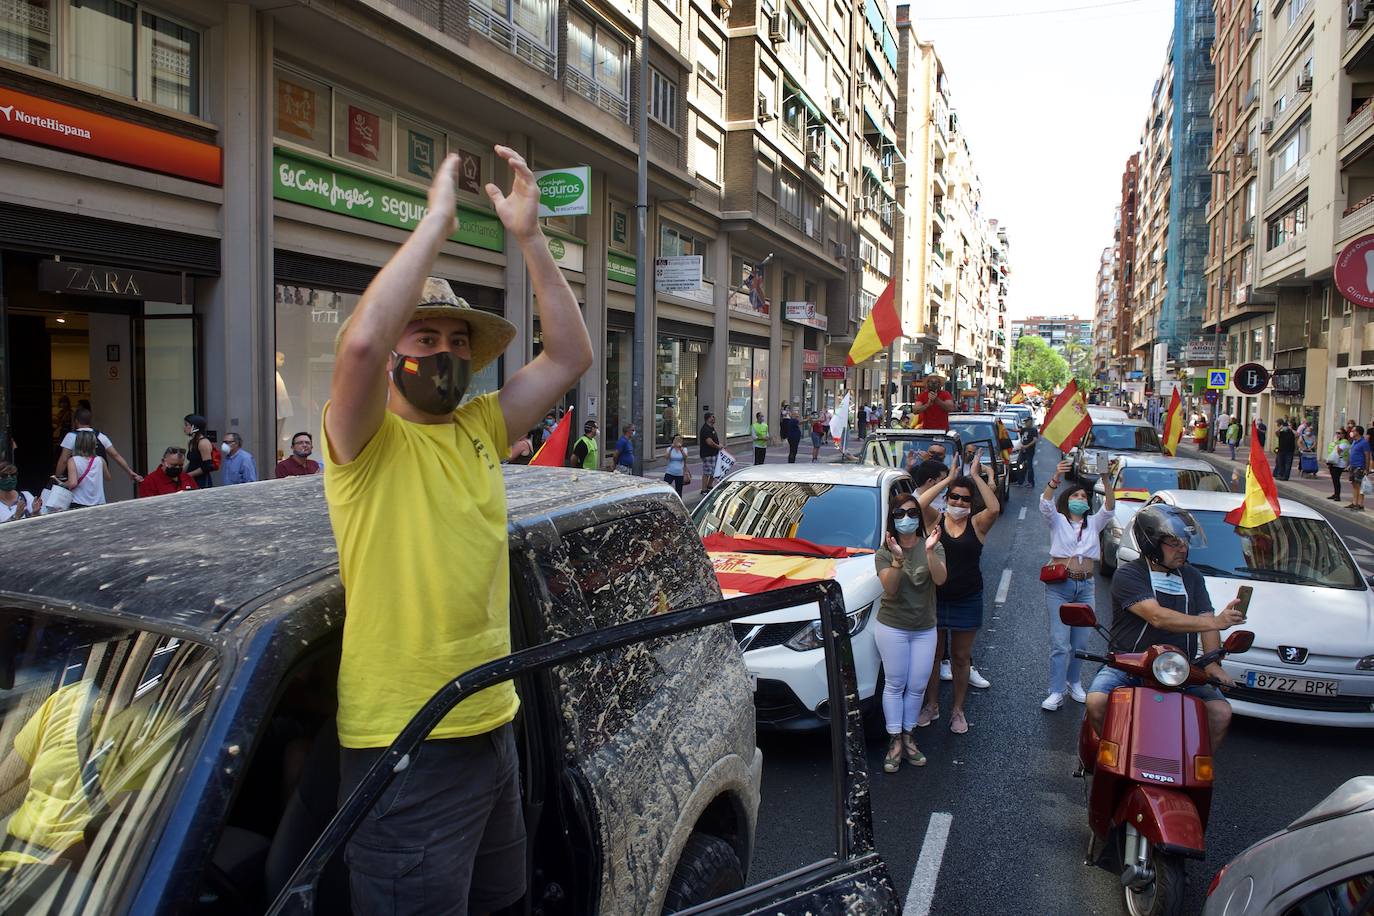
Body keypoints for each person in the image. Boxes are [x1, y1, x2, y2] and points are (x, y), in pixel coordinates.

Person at [322, 148, 591, 915]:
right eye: (426, 339)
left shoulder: (480, 424)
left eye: (458, 342)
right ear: (394, 359)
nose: (446, 353)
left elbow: (571, 355)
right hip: (404, 746)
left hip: (492, 724)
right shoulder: (363, 441)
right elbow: (362, 346)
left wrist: (531, 239)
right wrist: (437, 221)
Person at [1086, 504, 1244, 748]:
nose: (1183, 549)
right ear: (1151, 543)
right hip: (1130, 664)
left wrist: (1212, 663)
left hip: (1180, 669)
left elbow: (1206, 620)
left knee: (1220, 712)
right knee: (1097, 702)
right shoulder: (1129, 575)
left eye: (1185, 543)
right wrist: (1215, 621)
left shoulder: (1192, 577)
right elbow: (1157, 616)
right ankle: (1112, 753)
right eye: (1175, 543)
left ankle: (1196, 767)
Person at [916, 454, 1000, 735]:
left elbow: (995, 507)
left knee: (961, 658)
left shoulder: (977, 523)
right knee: (934, 655)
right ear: (948, 497)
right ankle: (932, 705)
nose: (959, 503)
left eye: (965, 499)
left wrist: (976, 477)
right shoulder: (935, 519)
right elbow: (918, 504)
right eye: (954, 497)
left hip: (968, 598)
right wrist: (950, 478)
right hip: (936, 598)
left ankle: (958, 710)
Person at [874, 492, 947, 772]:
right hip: (892, 626)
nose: (907, 519)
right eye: (900, 514)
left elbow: (940, 579)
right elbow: (890, 588)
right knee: (895, 683)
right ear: (892, 519)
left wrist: (929, 551)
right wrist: (896, 560)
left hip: (925, 628)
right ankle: (895, 742)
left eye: (913, 513)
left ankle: (909, 736)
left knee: (917, 685)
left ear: (919, 517)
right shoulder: (884, 552)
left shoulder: (934, 546)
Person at [1039, 459, 1116, 711]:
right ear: (1068, 500)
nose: (1081, 498)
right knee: (1060, 643)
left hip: (1086, 587)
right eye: (1076, 495)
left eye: (1084, 496)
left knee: (1080, 643)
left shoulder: (1094, 523)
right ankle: (1056, 690)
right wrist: (1055, 477)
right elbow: (1045, 503)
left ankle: (1074, 682)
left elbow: (1109, 507)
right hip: (1060, 586)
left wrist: (1105, 478)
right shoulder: (1058, 520)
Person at [53, 406, 143, 485]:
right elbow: (116, 455)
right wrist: (129, 471)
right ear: (90, 421)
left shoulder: (71, 436)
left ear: (76, 421)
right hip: (96, 482)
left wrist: (57, 477)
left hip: (76, 481)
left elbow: (64, 460)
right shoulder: (100, 436)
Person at [62, 430, 109, 509]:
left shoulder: (72, 460)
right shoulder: (100, 460)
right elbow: (108, 477)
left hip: (79, 502)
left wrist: (62, 484)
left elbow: (73, 483)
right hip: (99, 503)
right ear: (93, 444)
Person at [184, 414, 216, 489]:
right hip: (192, 479)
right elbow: (192, 462)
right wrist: (182, 473)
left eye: (186, 425)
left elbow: (207, 466)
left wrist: (188, 475)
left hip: (202, 481)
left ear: (194, 427)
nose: (184, 428)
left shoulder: (203, 443)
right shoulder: (192, 442)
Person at [1348, 425, 1369, 511]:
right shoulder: (1354, 442)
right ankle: (1354, 502)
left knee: (1359, 485)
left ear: (1357, 432)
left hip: (1359, 466)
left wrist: (1366, 469)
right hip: (1353, 466)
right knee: (1354, 485)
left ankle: (1360, 504)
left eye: (1353, 430)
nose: (1351, 432)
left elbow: (1367, 456)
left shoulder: (1364, 443)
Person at [1327, 428, 1351, 502]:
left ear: (1343, 434)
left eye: (1339, 433)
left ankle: (1337, 495)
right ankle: (1335, 493)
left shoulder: (1345, 442)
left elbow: (1339, 450)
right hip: (1333, 462)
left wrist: (1336, 444)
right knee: (1334, 479)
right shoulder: (1338, 441)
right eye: (1337, 433)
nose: (1337, 435)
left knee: (1336, 479)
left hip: (1340, 463)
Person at [699, 412, 722, 489]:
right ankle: (704, 489)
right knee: (707, 472)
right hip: (708, 454)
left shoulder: (711, 428)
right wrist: (718, 446)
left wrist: (719, 445)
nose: (714, 418)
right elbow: (709, 442)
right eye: (712, 417)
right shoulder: (705, 429)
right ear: (708, 419)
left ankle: (709, 485)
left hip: (714, 453)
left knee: (714, 471)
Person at [1018, 417, 1039, 488]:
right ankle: (1020, 482)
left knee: (1029, 467)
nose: (1025, 423)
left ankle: (1031, 482)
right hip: (1023, 451)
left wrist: (1027, 446)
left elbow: (1035, 440)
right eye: (1025, 422)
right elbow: (1018, 431)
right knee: (1020, 465)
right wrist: (1007, 429)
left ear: (1030, 422)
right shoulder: (1024, 429)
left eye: (1027, 422)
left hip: (1029, 452)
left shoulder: (1033, 430)